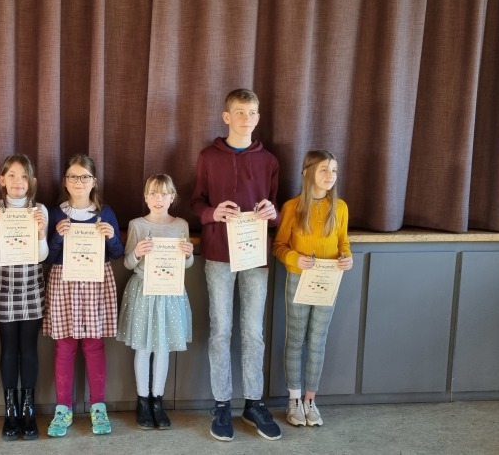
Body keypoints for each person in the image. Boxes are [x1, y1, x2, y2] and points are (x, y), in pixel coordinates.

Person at [189, 88, 282, 441]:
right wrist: (213, 213)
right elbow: (197, 202)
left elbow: (274, 209)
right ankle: (222, 404)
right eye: (240, 112)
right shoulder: (207, 157)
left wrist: (272, 213)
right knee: (221, 329)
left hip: (255, 256)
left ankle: (254, 403)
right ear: (226, 117)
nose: (246, 118)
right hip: (218, 254)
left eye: (252, 112)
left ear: (258, 118)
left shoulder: (269, 161)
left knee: (254, 332)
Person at [44, 154, 124, 437]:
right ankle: (62, 409)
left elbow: (117, 253)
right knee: (65, 347)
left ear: (94, 182)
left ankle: (98, 407)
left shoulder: (105, 212)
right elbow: (48, 257)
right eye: (73, 177)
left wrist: (111, 236)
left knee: (94, 346)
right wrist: (57, 236)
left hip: (96, 283)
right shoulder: (55, 213)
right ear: (65, 182)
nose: (79, 182)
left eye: (85, 177)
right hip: (63, 281)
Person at [272, 150, 353, 428]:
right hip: (298, 280)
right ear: (307, 173)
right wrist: (295, 258)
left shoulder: (340, 207)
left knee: (318, 340)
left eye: (334, 170)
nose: (330, 176)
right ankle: (293, 400)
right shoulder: (292, 207)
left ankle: (310, 400)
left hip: (328, 282)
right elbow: (279, 246)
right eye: (323, 170)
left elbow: (343, 242)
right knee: (296, 339)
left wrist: (347, 257)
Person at [116, 174, 194, 430]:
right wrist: (137, 252)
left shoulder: (181, 225)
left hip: (170, 292)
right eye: (153, 193)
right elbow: (128, 263)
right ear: (146, 197)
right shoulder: (137, 225)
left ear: (172, 197)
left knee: (163, 348)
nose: (158, 199)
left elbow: (187, 264)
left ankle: (157, 401)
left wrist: (188, 255)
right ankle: (142, 401)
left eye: (164, 194)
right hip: (144, 291)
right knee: (143, 347)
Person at [0, 154, 49, 440]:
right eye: (12, 175)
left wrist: (41, 232)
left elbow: (42, 256)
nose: (17, 181)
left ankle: (28, 410)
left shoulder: (39, 209)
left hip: (32, 286)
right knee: (9, 349)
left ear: (32, 181)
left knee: (29, 348)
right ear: (2, 180)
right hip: (5, 288)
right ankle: (10, 411)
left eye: (23, 176)